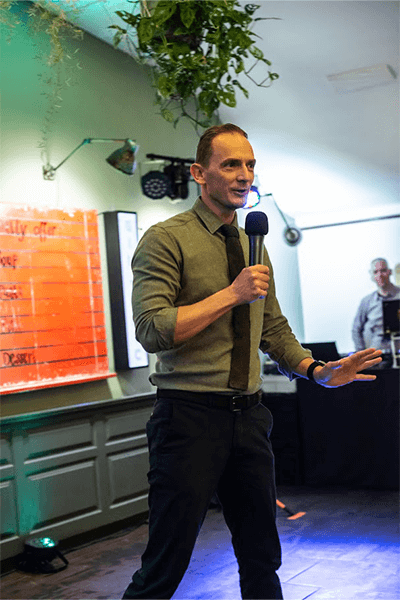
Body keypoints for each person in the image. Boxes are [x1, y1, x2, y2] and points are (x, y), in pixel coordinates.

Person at [122, 123, 382, 600]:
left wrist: (316, 371)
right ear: (200, 173)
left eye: (250, 165)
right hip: (188, 418)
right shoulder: (166, 239)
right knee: (165, 564)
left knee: (263, 557)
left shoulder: (252, 244)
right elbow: (152, 330)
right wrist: (231, 294)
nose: (244, 175)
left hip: (250, 419)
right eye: (230, 165)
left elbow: (272, 328)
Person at [352, 258, 400, 353]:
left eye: (383, 271)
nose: (380, 275)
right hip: (375, 356)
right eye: (375, 272)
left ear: (390, 272)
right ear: (371, 275)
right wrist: (361, 355)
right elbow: (356, 329)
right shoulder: (367, 301)